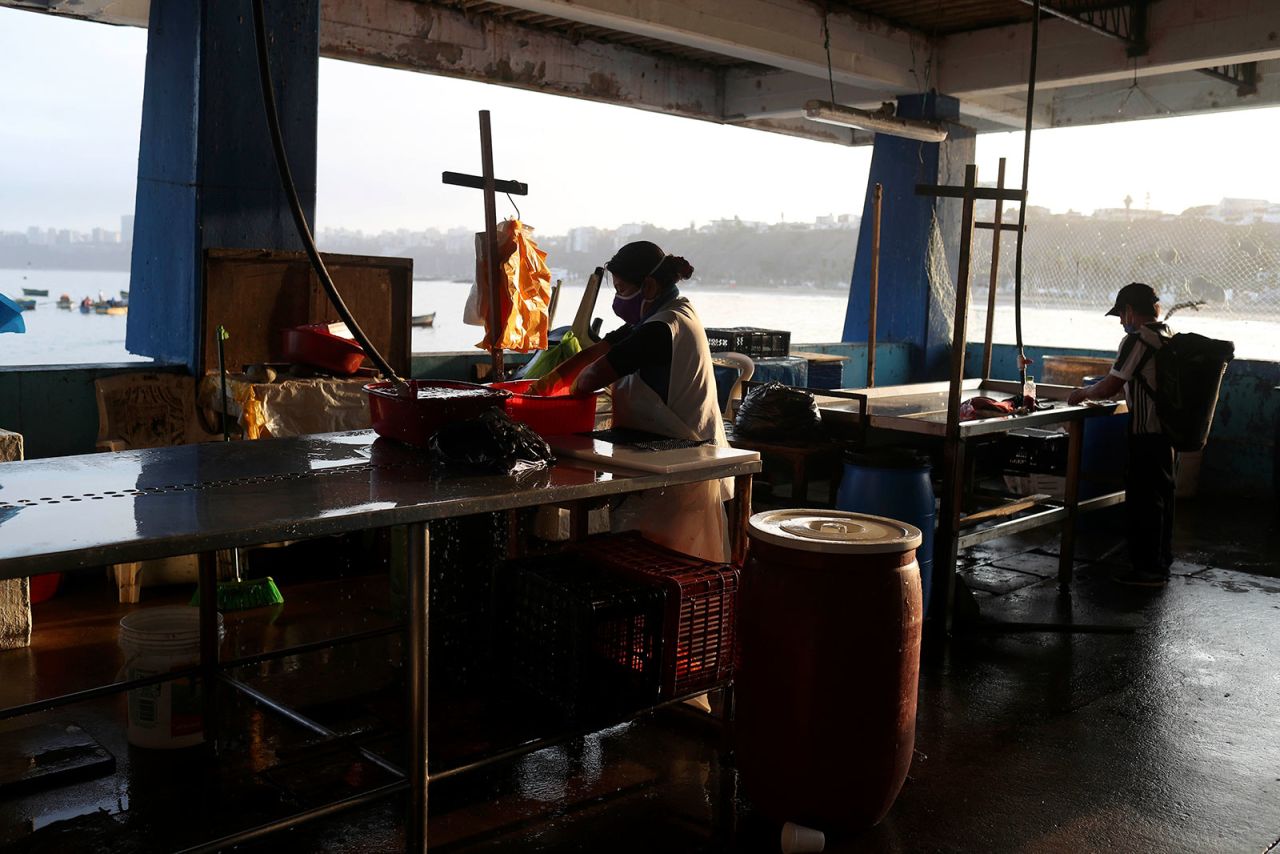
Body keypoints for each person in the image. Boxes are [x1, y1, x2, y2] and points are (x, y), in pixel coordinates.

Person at [531, 240, 731, 563]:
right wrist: (549, 381)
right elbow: (603, 349)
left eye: (622, 289)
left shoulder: (661, 328)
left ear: (649, 286)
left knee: (664, 564)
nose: (618, 300)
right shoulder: (663, 314)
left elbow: (590, 378)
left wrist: (569, 393)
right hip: (665, 457)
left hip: (678, 471)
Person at [1067, 282, 1175, 586]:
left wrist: (1081, 393)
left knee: (1144, 502)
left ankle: (1147, 570)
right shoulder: (1167, 336)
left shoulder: (1137, 341)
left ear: (1129, 311)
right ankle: (1160, 563)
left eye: (1120, 314)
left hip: (1145, 432)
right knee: (1162, 499)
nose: (1120, 321)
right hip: (1167, 432)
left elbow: (1108, 387)